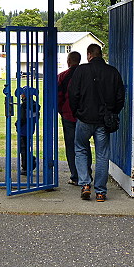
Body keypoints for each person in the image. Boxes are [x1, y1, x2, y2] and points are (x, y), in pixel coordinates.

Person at [68, 44, 124, 202]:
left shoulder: (81, 70)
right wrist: (112, 114)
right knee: (102, 155)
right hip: (103, 121)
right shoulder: (113, 72)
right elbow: (120, 98)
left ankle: (85, 184)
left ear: (89, 55)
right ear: (100, 54)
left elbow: (73, 94)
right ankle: (100, 192)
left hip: (84, 118)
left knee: (80, 150)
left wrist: (77, 112)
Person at [57, 51, 84, 186]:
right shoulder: (85, 75)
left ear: (68, 61)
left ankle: (75, 176)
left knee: (70, 146)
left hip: (68, 115)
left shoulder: (62, 76)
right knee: (83, 146)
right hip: (84, 115)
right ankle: (86, 173)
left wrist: (61, 111)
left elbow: (58, 96)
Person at [16, 86, 40, 176]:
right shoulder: (35, 105)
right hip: (30, 128)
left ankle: (26, 167)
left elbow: (22, 118)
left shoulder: (23, 106)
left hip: (23, 130)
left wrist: (17, 124)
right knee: (27, 147)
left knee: (23, 149)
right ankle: (30, 162)